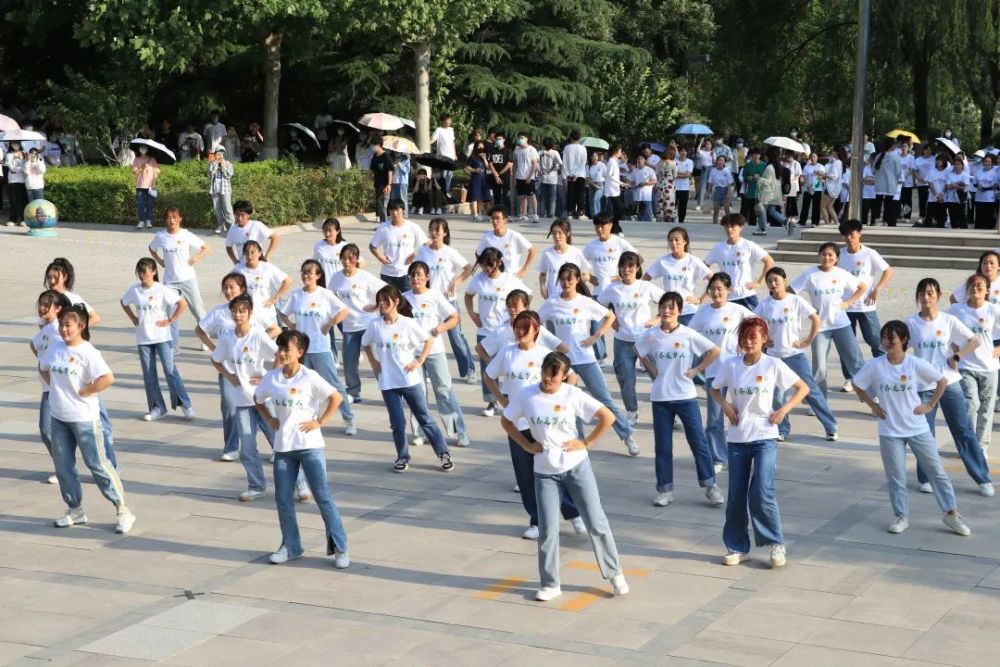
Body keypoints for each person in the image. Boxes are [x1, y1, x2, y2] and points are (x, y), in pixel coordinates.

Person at [501, 351, 630, 602]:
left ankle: (614, 573)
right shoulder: (527, 395)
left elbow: (607, 417)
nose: (548, 379)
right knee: (548, 529)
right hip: (545, 472)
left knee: (596, 522)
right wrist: (526, 446)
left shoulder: (572, 395)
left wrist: (586, 442)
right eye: (545, 373)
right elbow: (506, 421)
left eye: (554, 375)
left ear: (564, 376)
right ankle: (550, 583)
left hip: (576, 467)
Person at [852, 321, 973, 536]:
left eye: (893, 338)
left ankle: (952, 514)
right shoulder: (875, 365)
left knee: (937, 471)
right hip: (890, 430)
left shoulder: (914, 363)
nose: (888, 341)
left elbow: (942, 381)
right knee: (896, 476)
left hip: (917, 428)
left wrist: (929, 405)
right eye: (885, 337)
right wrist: (872, 405)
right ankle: (901, 516)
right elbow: (857, 384)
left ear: (904, 340)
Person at [711, 318, 808, 567]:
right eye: (744, 337)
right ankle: (737, 545)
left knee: (761, 491)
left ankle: (776, 544)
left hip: (764, 436)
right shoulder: (731, 365)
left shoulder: (773, 364)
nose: (749, 341)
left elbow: (802, 388)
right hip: (737, 437)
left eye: (754, 337)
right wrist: (726, 406)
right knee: (736, 495)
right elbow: (714, 389)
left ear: (764, 339)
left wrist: (783, 410)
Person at [255, 330, 350, 568]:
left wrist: (320, 422)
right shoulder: (272, 377)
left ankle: (340, 547)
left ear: (301, 352)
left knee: (322, 497)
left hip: (310, 446)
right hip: (284, 447)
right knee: (283, 498)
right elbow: (258, 400)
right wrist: (270, 419)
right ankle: (291, 545)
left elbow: (336, 397)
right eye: (281, 348)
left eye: (288, 349)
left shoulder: (309, 376)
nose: (283, 353)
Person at [484, 311, 583, 539]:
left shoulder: (546, 355)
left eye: (526, 328)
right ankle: (537, 521)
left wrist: (563, 401)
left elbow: (571, 377)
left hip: (544, 423)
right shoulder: (507, 353)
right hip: (517, 423)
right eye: (517, 327)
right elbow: (489, 376)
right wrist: (502, 400)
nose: (521, 332)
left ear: (536, 330)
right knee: (525, 474)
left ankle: (573, 513)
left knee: (554, 469)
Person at [39, 305, 135, 533]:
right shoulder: (54, 349)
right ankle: (75, 509)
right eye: (61, 325)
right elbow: (43, 368)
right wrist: (54, 389)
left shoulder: (88, 352)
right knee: (63, 466)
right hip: (59, 416)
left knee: (97, 464)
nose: (63, 329)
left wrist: (86, 391)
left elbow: (107, 378)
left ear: (81, 327)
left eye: (68, 325)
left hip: (84, 418)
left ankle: (122, 509)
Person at [537, 263, 639, 455]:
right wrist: (553, 344)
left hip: (586, 358)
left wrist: (596, 336)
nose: (566, 282)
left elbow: (609, 316)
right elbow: (536, 324)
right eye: (563, 278)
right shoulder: (552, 303)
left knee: (604, 399)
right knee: (568, 403)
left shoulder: (585, 302)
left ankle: (627, 435)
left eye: (570, 278)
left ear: (577, 280)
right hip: (563, 364)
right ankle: (576, 441)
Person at [904, 278, 993, 496]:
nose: (926, 298)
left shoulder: (948, 320)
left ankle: (982, 478)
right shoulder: (911, 323)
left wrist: (958, 355)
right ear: (917, 296)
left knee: (963, 430)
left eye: (931, 293)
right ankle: (926, 477)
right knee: (925, 433)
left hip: (950, 383)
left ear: (939, 296)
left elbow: (974, 340)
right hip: (924, 387)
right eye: (922, 293)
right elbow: (898, 349)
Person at [637, 292, 723, 507]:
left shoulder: (688, 334)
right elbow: (638, 350)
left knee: (699, 443)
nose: (667, 311)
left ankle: (710, 485)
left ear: (680, 311)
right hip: (661, 397)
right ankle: (665, 490)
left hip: (686, 396)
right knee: (663, 446)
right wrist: (653, 370)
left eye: (672, 308)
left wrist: (697, 370)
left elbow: (714, 351)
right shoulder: (651, 334)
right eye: (664, 307)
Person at [362, 285, 454, 473]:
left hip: (409, 381)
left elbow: (428, 339)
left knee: (424, 418)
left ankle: (443, 453)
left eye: (385, 300)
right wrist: (374, 363)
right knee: (397, 423)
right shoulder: (375, 325)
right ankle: (402, 457)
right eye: (379, 300)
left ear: (396, 302)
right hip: (388, 382)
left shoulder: (408, 323)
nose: (382, 304)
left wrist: (419, 360)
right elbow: (365, 343)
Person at [196, 272, 280, 461]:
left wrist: (258, 345)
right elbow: (199, 330)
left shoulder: (253, 310)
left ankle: (278, 446)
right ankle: (231, 446)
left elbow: (275, 329)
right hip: (230, 371)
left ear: (242, 289)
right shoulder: (219, 312)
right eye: (225, 288)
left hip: (252, 372)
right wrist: (214, 348)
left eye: (232, 287)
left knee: (264, 407)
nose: (227, 291)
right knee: (229, 406)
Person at [755, 267, 838, 441]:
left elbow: (816, 319)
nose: (773, 283)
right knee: (777, 395)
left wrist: (807, 341)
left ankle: (831, 426)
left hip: (795, 355)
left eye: (776, 279)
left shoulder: (795, 300)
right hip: (774, 357)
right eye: (770, 281)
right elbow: (753, 324)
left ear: (785, 281)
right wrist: (763, 341)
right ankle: (782, 429)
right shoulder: (764, 305)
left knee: (811, 390)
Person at [278, 259, 357, 436]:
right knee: (302, 386)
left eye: (310, 272)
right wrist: (291, 325)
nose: (306, 275)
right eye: (304, 272)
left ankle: (349, 418)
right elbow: (282, 312)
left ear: (318, 275)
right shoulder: (297, 295)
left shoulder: (325, 294)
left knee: (334, 384)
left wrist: (329, 324)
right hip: (301, 351)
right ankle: (306, 419)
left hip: (320, 348)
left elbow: (344, 311)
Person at [689, 273, 755, 469]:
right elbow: (690, 337)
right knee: (714, 418)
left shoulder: (738, 310)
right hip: (714, 372)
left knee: (744, 415)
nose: (716, 292)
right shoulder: (702, 313)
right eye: (713, 288)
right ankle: (718, 458)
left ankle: (748, 454)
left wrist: (745, 345)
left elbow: (758, 326)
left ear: (729, 290)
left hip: (738, 370)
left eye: (720, 289)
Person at [403, 261, 471, 447]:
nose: (416, 278)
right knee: (417, 393)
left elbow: (454, 317)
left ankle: (459, 432)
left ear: (427, 277)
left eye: (419, 274)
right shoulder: (403, 298)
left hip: (434, 351)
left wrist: (438, 329)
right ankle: (420, 432)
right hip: (411, 354)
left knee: (443, 391)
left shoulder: (435, 296)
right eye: (413, 274)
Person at [120, 258, 195, 422]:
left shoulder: (161, 289)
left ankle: (185, 404)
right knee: (149, 374)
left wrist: (171, 320)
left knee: (170, 370)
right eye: (139, 272)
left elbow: (182, 303)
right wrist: (133, 317)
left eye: (145, 272)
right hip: (143, 338)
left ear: (153, 272)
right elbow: (123, 302)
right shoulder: (134, 290)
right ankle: (157, 407)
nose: (142, 276)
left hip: (162, 336)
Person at [790, 242, 866, 399]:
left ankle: (872, 397)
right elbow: (789, 292)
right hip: (820, 327)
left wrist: (848, 302)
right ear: (819, 255)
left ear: (837, 258)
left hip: (841, 324)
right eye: (823, 254)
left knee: (855, 361)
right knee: (820, 368)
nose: (827, 257)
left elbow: (862, 287)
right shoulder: (810, 275)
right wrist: (807, 310)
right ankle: (819, 401)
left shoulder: (842, 273)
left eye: (831, 254)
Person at [465, 248, 532, 416]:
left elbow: (528, 295)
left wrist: (521, 314)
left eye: (490, 265)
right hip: (485, 330)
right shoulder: (479, 280)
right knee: (487, 368)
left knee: (512, 365)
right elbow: (468, 296)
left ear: (499, 262)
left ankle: (514, 398)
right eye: (483, 266)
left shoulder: (510, 280)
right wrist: (472, 314)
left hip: (507, 331)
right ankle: (491, 402)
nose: (487, 269)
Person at [601, 252, 662, 424]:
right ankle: (631, 411)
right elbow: (600, 307)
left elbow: (668, 301)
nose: (627, 270)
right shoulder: (613, 288)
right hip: (623, 342)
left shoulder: (645, 286)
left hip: (646, 339)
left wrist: (656, 319)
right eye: (623, 266)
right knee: (626, 379)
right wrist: (612, 323)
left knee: (658, 376)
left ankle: (670, 411)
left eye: (631, 266)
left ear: (637, 268)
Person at [414, 217, 476, 382]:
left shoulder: (449, 252)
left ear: (445, 233)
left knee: (456, 338)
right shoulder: (423, 251)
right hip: (428, 301)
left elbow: (468, 267)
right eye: (432, 229)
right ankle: (425, 369)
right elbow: (415, 271)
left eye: (437, 230)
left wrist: (457, 281)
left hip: (447, 300)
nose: (434, 233)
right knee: (426, 335)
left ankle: (469, 369)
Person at [949, 273, 1000, 463]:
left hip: (989, 366)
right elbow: (946, 329)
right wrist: (954, 348)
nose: (975, 288)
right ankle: (969, 444)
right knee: (971, 404)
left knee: (986, 408)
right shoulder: (956, 310)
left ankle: (981, 445)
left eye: (980, 285)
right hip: (966, 365)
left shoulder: (993, 310)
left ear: (987, 290)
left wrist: (999, 348)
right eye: (972, 285)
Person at [836, 219, 891, 391]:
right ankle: (849, 378)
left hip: (866, 306)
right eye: (846, 235)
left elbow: (888, 270)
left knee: (876, 342)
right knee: (847, 345)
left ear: (860, 234)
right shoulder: (840, 255)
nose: (849, 238)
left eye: (852, 234)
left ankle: (883, 374)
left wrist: (878, 288)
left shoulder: (869, 254)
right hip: (845, 306)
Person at [328, 243, 386, 403]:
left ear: (356, 259)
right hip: (349, 327)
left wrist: (376, 306)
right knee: (349, 362)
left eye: (350, 258)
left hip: (368, 325)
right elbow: (330, 297)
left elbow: (386, 289)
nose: (347, 262)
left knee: (376, 359)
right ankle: (353, 391)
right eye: (344, 258)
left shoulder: (365, 277)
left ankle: (388, 388)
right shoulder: (336, 277)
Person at [149, 208, 210, 352]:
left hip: (188, 279)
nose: (171, 220)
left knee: (198, 310)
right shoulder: (161, 236)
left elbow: (206, 248)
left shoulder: (186, 235)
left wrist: (195, 258)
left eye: (174, 217)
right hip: (170, 281)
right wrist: (160, 260)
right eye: (168, 217)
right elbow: (152, 249)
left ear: (180, 219)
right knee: (171, 313)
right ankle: (174, 345)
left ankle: (205, 339)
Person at [30, 290, 72, 485]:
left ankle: (65, 467)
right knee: (46, 430)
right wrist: (42, 362)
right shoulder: (45, 329)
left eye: (47, 305)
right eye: (40, 304)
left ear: (58, 308)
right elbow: (34, 344)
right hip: (48, 388)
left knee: (50, 428)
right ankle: (63, 466)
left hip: (59, 388)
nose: (42, 308)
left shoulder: (59, 329)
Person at [704, 213, 774, 310]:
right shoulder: (718, 247)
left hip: (746, 294)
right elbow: (703, 266)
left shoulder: (749, 245)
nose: (729, 230)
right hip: (727, 296)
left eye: (732, 227)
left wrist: (759, 282)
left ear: (741, 227)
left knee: (754, 323)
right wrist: (715, 281)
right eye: (726, 227)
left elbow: (769, 261)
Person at [643, 227, 710, 325]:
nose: (673, 243)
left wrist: (700, 299)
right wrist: (656, 296)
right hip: (669, 311)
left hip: (688, 311)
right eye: (670, 240)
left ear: (685, 241)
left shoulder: (693, 261)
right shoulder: (663, 261)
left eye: (677, 240)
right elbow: (645, 279)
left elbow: (714, 280)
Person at [369, 198, 427, 292]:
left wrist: (415, 254)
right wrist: (380, 257)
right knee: (389, 302)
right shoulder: (383, 228)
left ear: (403, 210)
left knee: (407, 303)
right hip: (387, 274)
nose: (395, 213)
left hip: (407, 273)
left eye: (397, 210)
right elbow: (372, 246)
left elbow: (426, 244)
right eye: (392, 210)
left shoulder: (413, 227)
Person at [236, 240, 291, 331]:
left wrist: (274, 298)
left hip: (267, 313)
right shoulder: (239, 269)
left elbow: (287, 281)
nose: (249, 256)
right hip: (248, 315)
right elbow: (228, 284)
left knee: (270, 342)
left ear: (260, 253)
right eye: (246, 252)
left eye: (253, 252)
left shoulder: (267, 267)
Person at [475, 206, 537, 278]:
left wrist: (524, 270)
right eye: (493, 218)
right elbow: (478, 254)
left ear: (505, 220)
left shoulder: (514, 236)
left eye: (498, 218)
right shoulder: (486, 237)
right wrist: (485, 268)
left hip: (511, 278)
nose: (495, 221)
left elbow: (533, 250)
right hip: (494, 278)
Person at [537, 219, 591, 300]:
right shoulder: (547, 253)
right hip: (553, 298)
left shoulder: (576, 252)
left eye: (560, 233)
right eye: (554, 233)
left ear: (567, 234)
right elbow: (543, 274)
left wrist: (572, 283)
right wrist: (543, 289)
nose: (556, 236)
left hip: (572, 298)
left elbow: (586, 275)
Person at [873, 138, 903, 226]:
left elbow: (873, 171)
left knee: (877, 204)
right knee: (889, 205)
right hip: (890, 185)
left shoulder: (879, 156)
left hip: (879, 185)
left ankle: (875, 220)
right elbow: (898, 172)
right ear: (893, 146)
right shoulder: (895, 157)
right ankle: (887, 221)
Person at [132, 144, 159, 230]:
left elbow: (156, 172)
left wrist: (154, 183)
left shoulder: (152, 159)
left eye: (145, 148)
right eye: (141, 148)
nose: (143, 149)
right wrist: (142, 167)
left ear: (148, 149)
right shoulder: (136, 159)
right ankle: (141, 220)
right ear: (139, 149)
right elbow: (135, 172)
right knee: (140, 204)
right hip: (140, 186)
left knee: (150, 204)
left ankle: (148, 220)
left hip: (151, 186)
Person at [513, 133, 539, 222]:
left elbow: (534, 164)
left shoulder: (532, 150)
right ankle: (523, 214)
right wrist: (514, 176)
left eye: (522, 138)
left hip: (529, 177)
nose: (520, 139)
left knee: (531, 196)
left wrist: (530, 176)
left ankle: (535, 214)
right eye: (519, 138)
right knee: (521, 196)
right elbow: (515, 164)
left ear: (527, 139)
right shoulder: (517, 150)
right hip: (519, 176)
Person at [208, 146, 235, 234]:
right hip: (215, 188)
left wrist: (223, 166)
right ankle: (221, 225)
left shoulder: (228, 163)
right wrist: (216, 164)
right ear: (215, 154)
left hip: (225, 189)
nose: (219, 155)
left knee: (227, 207)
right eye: (218, 153)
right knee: (217, 208)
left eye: (221, 154)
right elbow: (210, 174)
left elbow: (229, 175)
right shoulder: (211, 163)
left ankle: (232, 226)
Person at [562, 131, 588, 218]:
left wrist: (568, 174)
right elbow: (583, 162)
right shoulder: (583, 148)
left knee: (571, 193)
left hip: (570, 174)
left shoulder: (567, 148)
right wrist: (576, 174)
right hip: (580, 174)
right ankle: (580, 212)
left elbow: (564, 163)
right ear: (579, 138)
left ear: (570, 137)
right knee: (580, 193)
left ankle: (570, 212)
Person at [430, 114, 457, 193]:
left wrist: (455, 154)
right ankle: (442, 193)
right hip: (443, 157)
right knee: (443, 176)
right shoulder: (438, 130)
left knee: (449, 176)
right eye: (447, 120)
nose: (449, 121)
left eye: (450, 120)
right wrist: (425, 143)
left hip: (451, 157)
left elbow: (452, 142)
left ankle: (447, 192)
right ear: (442, 121)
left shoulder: (451, 130)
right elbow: (432, 140)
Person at [369, 137, 394, 223]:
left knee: (383, 205)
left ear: (378, 145)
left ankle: (384, 224)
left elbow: (390, 171)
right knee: (379, 205)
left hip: (385, 185)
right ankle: (383, 223)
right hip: (377, 184)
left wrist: (389, 184)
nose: (372, 147)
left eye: (373, 145)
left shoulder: (386, 156)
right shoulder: (374, 157)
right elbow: (372, 170)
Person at [819, 146, 845, 225]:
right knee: (830, 207)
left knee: (823, 207)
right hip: (836, 188)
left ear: (836, 152)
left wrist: (823, 174)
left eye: (833, 151)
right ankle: (837, 223)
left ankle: (827, 224)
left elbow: (834, 176)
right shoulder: (840, 162)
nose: (831, 152)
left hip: (830, 187)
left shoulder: (836, 162)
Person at [465, 141, 490, 220]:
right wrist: (475, 170)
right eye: (479, 147)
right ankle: (475, 214)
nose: (481, 148)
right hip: (475, 178)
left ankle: (479, 213)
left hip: (483, 178)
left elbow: (488, 167)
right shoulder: (472, 157)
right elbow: (467, 167)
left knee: (481, 197)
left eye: (482, 147)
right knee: (475, 196)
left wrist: (484, 159)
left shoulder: (485, 156)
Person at [4, 141, 27, 227]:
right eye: (13, 143)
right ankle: (13, 219)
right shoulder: (9, 154)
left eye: (17, 143)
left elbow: (27, 165)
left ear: (20, 144)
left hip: (23, 180)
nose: (15, 145)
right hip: (13, 180)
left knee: (23, 201)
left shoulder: (25, 154)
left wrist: (22, 159)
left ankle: (23, 219)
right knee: (13, 200)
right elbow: (11, 167)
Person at [972, 153, 998, 229]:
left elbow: (995, 186)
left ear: (992, 162)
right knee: (979, 217)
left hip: (990, 199)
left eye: (989, 161)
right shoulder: (978, 172)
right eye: (986, 161)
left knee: (988, 218)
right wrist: (978, 186)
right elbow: (974, 183)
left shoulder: (995, 173)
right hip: (979, 198)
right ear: (983, 162)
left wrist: (986, 189)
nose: (987, 163)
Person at [944, 156, 970, 229]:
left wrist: (953, 185)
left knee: (962, 218)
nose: (957, 166)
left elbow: (964, 187)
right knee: (953, 218)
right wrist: (957, 184)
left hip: (961, 200)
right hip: (951, 200)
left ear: (962, 165)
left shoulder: (965, 175)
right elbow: (947, 186)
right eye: (955, 164)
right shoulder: (950, 174)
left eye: (958, 164)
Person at [799, 152, 825, 227]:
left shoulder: (820, 166)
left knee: (816, 206)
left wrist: (816, 183)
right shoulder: (807, 167)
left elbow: (822, 176)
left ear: (817, 158)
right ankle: (802, 222)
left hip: (817, 189)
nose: (813, 158)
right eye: (812, 157)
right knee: (805, 205)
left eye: (814, 156)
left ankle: (815, 222)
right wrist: (808, 184)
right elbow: (804, 176)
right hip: (808, 188)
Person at [924, 154, 950, 227]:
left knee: (941, 217)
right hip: (933, 197)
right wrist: (936, 195)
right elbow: (930, 183)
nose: (938, 162)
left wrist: (941, 194)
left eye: (940, 160)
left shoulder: (947, 171)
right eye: (937, 161)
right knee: (929, 216)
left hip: (943, 198)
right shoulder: (931, 171)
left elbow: (947, 184)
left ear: (944, 161)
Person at [707, 155, 734, 224]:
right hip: (716, 191)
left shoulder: (727, 171)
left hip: (725, 190)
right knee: (716, 211)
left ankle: (729, 224)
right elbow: (710, 182)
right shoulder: (713, 171)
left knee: (727, 210)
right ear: (716, 161)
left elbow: (729, 184)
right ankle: (715, 224)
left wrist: (728, 194)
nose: (720, 162)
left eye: (722, 161)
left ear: (724, 162)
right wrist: (708, 192)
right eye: (719, 160)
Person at [650, 149, 673, 222]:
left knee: (660, 201)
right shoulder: (673, 163)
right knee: (668, 202)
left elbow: (656, 174)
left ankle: (660, 218)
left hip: (661, 184)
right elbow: (675, 175)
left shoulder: (659, 164)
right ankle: (668, 218)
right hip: (669, 185)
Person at [674, 147, 694, 223]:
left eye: (684, 151)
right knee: (673, 205)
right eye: (681, 151)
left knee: (683, 207)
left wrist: (678, 173)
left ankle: (681, 221)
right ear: (678, 152)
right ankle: (673, 219)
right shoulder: (674, 161)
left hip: (685, 188)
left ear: (687, 152)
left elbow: (688, 174)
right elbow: (673, 174)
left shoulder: (690, 162)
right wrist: (684, 174)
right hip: (675, 187)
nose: (683, 152)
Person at [390, 151, 411, 215]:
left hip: (402, 182)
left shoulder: (405, 158)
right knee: (393, 199)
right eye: (395, 151)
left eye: (397, 151)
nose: (396, 152)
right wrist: (392, 165)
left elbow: (407, 170)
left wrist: (399, 164)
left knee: (403, 199)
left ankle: (405, 215)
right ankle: (394, 214)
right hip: (393, 181)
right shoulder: (391, 158)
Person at [587, 150, 607, 218]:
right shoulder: (588, 166)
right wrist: (593, 184)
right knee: (591, 201)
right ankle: (593, 215)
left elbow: (606, 175)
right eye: (593, 156)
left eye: (596, 156)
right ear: (590, 157)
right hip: (591, 184)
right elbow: (587, 178)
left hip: (600, 184)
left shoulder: (602, 165)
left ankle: (597, 216)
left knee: (595, 199)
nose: (595, 157)